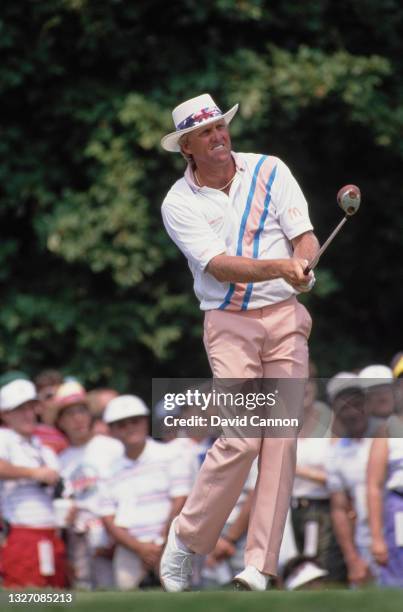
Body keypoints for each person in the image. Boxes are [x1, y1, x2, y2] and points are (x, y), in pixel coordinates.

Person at [159, 93, 319, 591]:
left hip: (285, 318)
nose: (219, 137)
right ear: (187, 146)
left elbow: (305, 236)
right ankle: (187, 538)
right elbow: (220, 267)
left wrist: (304, 264)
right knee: (242, 437)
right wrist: (281, 267)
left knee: (280, 439)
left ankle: (258, 568)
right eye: (206, 133)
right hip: (229, 322)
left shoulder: (270, 169)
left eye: (221, 127)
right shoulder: (178, 202)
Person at [98, 395, 194, 590]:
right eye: (121, 424)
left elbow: (181, 501)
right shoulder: (107, 470)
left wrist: (159, 543)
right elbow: (108, 519)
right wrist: (139, 548)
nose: (130, 427)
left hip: (171, 545)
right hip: (129, 550)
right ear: (112, 430)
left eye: (135, 421)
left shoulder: (171, 455)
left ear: (145, 421)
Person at [51, 381, 123, 589]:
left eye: (82, 411)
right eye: (69, 414)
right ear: (60, 422)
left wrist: (118, 537)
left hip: (112, 533)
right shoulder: (60, 460)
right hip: (78, 539)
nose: (77, 419)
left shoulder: (112, 448)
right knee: (84, 596)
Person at [0, 378, 66, 587]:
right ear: (5, 414)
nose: (29, 414)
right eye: (20, 409)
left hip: (51, 533)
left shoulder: (43, 448)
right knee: (25, 601)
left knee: (56, 600)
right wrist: (34, 473)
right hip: (20, 532)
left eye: (31, 407)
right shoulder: (3, 437)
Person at [325, 373, 376, 586]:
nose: (353, 412)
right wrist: (352, 559)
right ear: (335, 412)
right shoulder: (335, 455)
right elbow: (339, 510)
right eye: (344, 406)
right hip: (365, 545)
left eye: (357, 403)